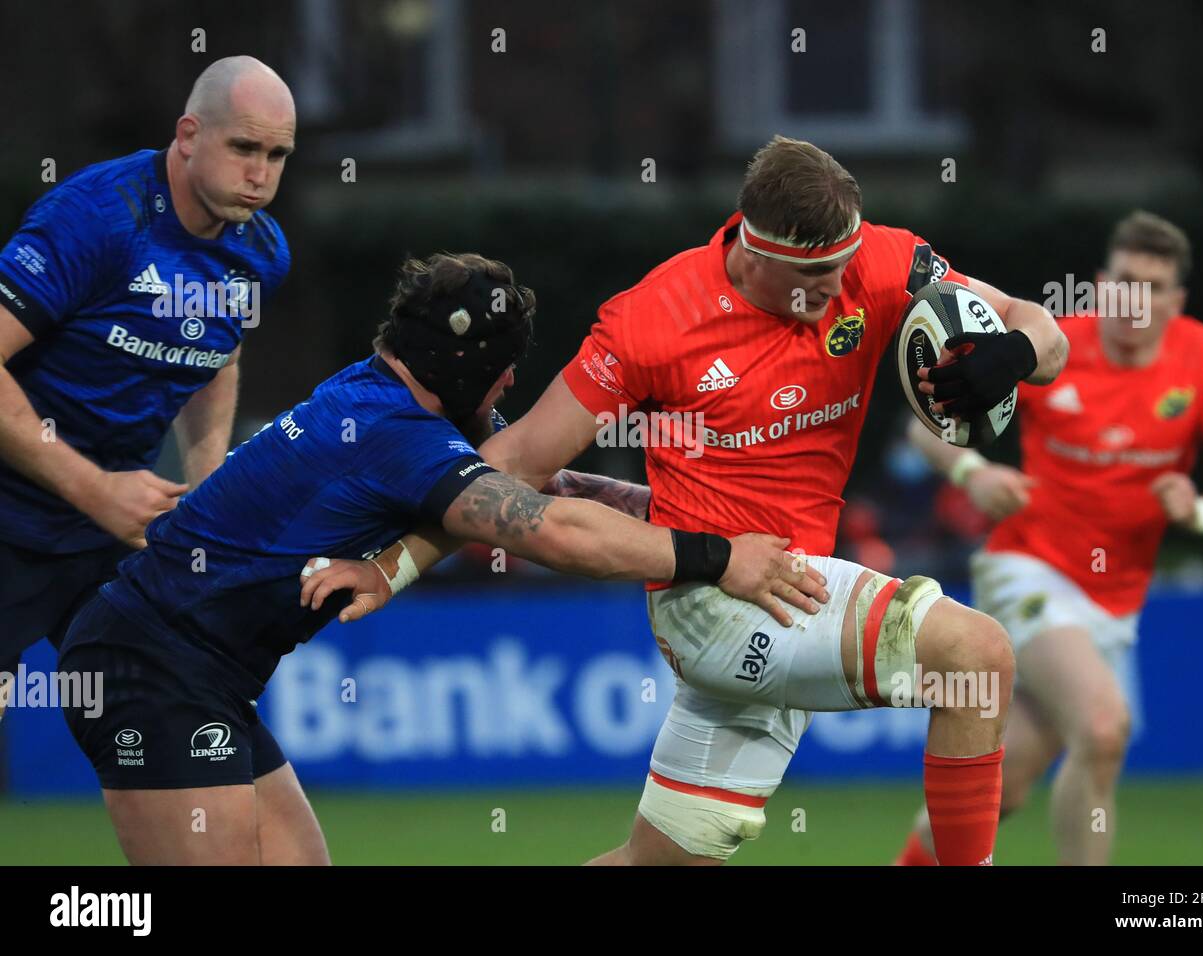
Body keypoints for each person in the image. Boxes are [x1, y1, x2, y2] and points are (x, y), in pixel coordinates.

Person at [301, 136, 1070, 865]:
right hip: (714, 601)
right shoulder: (652, 319)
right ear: (756, 249)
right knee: (978, 655)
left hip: (789, 585)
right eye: (818, 276)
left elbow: (1043, 329)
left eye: (846, 264)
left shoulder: (881, 263)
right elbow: (518, 465)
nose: (840, 289)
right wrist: (390, 566)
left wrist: (1016, 351)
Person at [57, 251, 823, 865]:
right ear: (465, 369)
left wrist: (674, 508)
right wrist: (718, 557)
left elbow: (540, 478)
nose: (514, 379)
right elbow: (552, 530)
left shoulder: (383, 401)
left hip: (201, 676)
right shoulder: (401, 439)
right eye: (506, 363)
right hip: (151, 669)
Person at [895, 210, 1203, 865]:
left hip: (1115, 603)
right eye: (1125, 281)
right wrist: (972, 470)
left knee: (999, 792)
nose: (1135, 299)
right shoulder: (1052, 348)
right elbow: (922, 426)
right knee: (1103, 727)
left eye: (1154, 287)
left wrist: (1201, 514)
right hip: (1029, 568)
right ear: (1101, 284)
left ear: (1177, 301)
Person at [0, 56, 295, 723]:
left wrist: (208, 478)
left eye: (278, 155)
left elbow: (215, 356)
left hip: (111, 534)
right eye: (244, 147)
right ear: (188, 135)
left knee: (192, 711)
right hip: (16, 515)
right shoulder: (97, 218)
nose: (260, 175)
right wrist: (94, 488)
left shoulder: (261, 253)